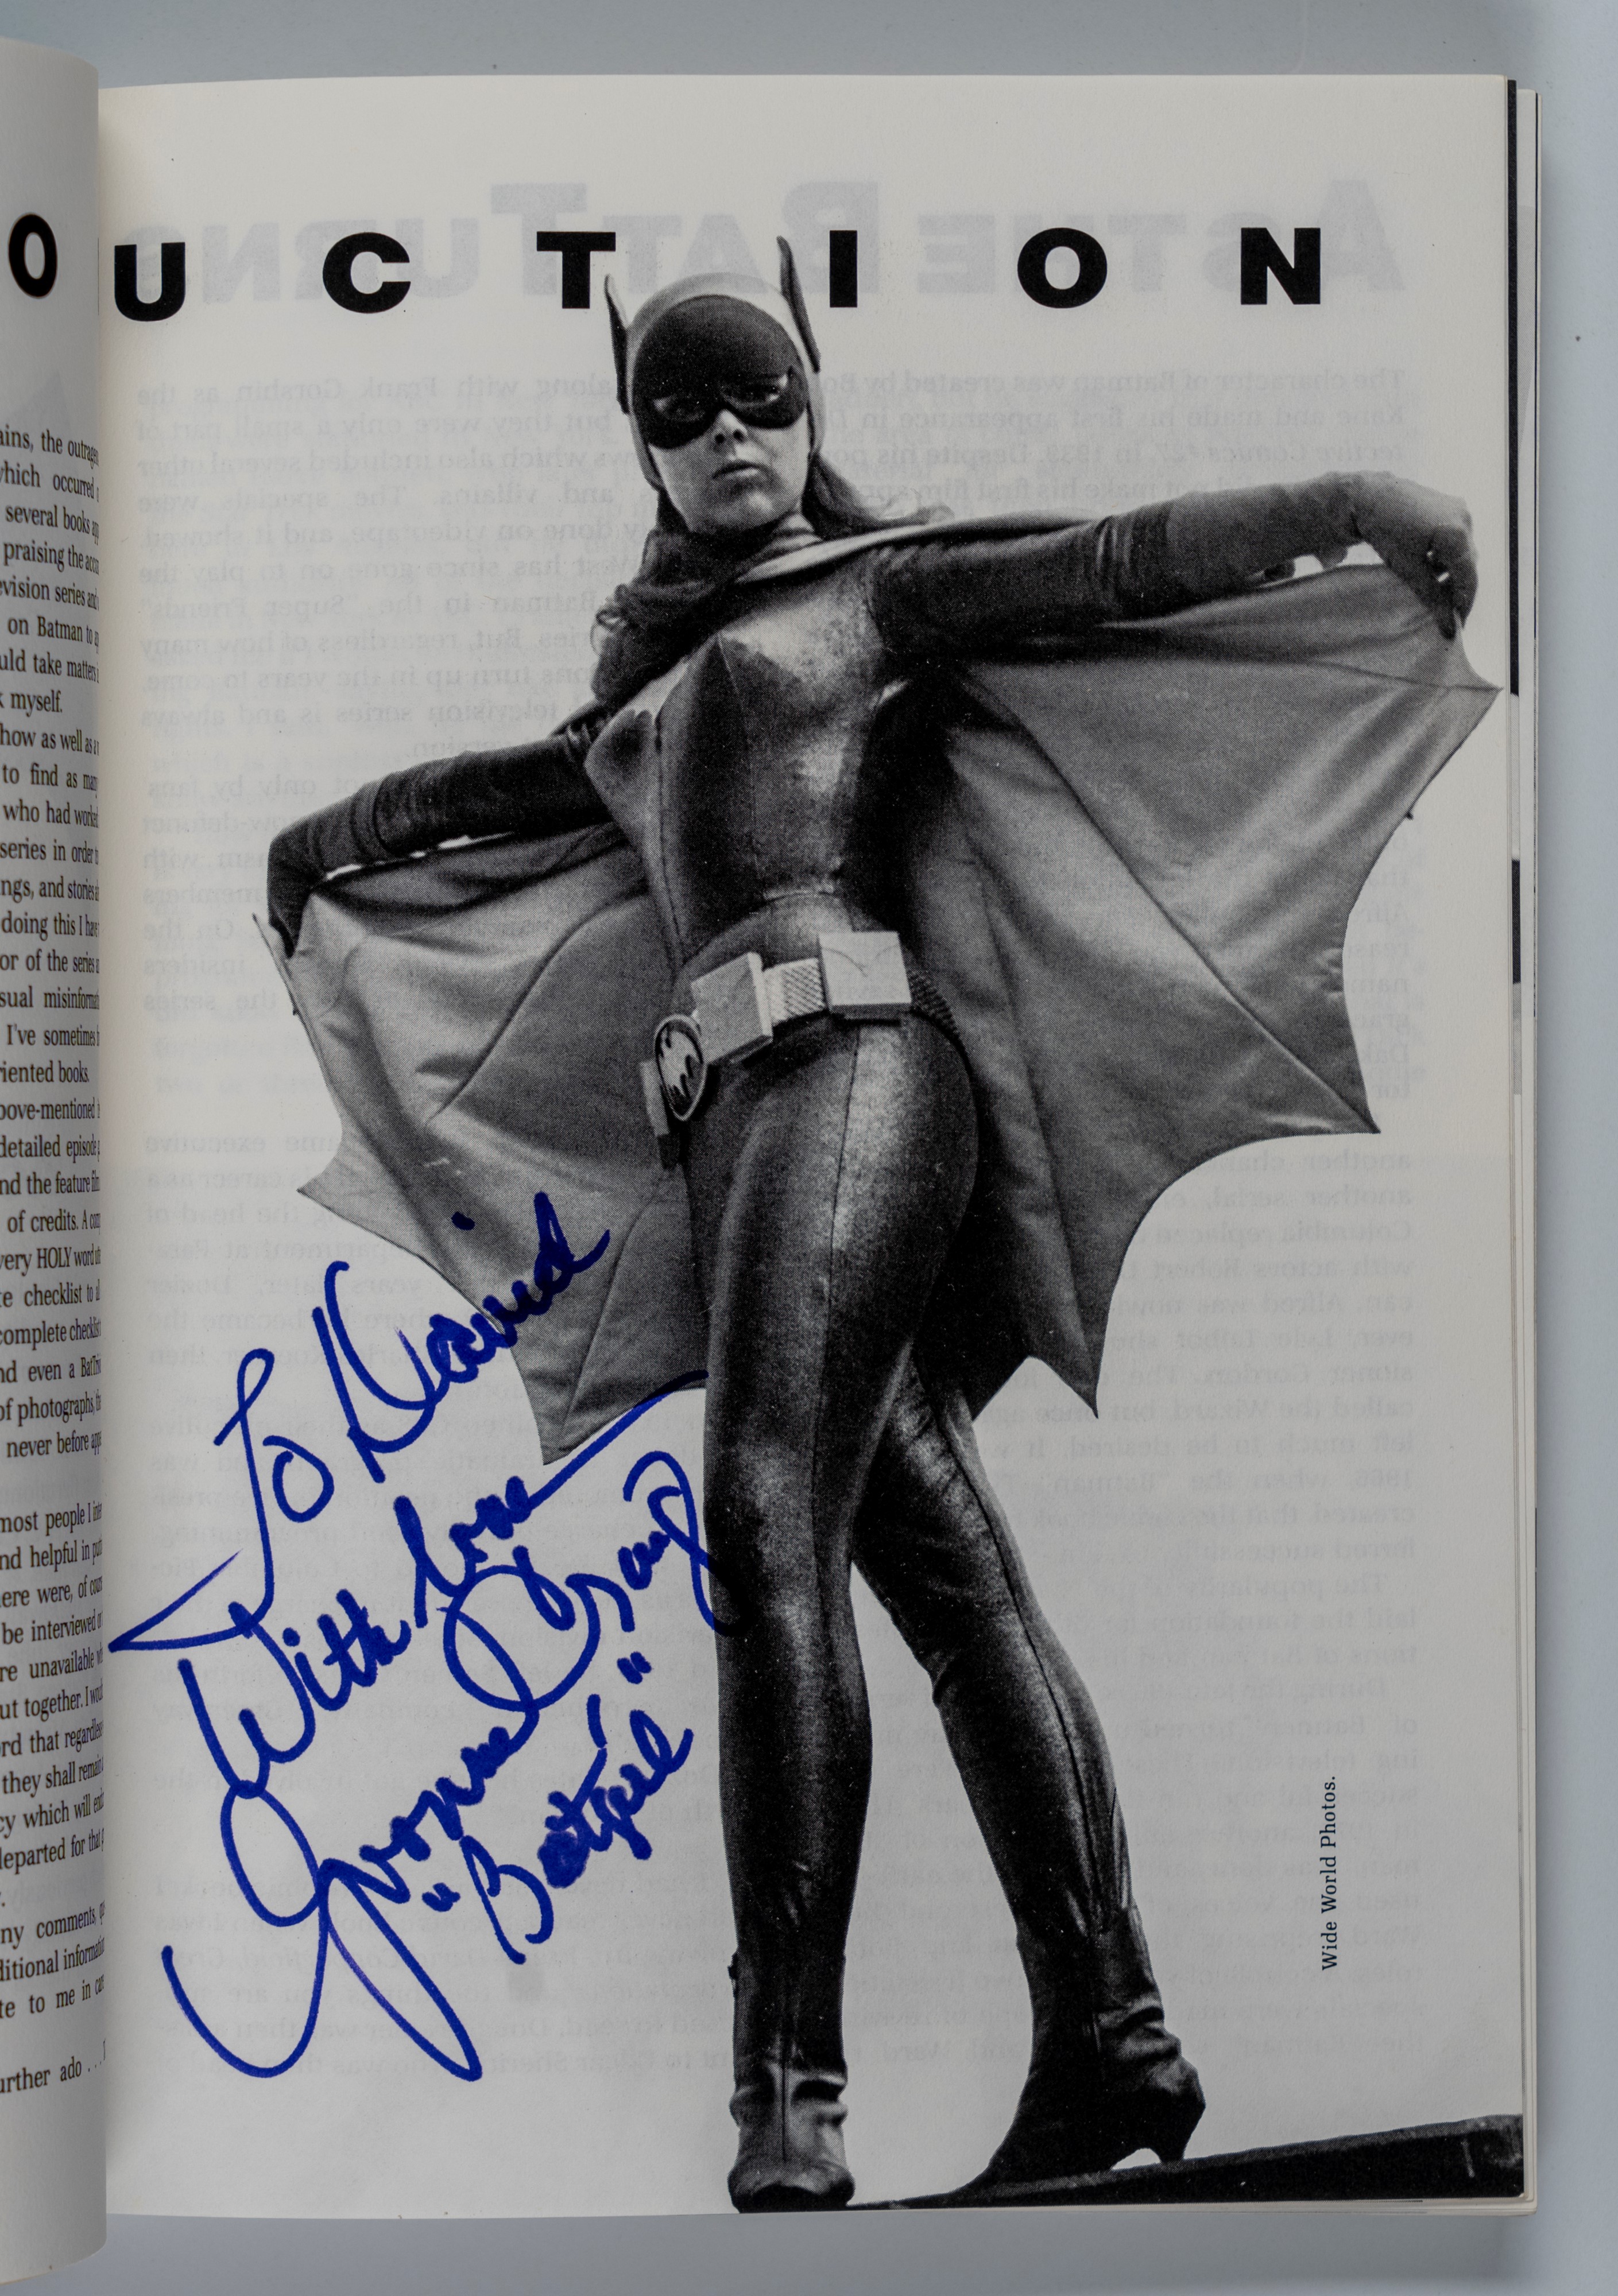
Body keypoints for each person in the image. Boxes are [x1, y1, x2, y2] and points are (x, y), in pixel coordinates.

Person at [267, 244, 1480, 2212]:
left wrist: (1342, 500)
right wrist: (319, 842)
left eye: (758, 387)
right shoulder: (642, 688)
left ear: (812, 399)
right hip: (740, 1135)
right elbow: (482, 794)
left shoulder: (872, 594)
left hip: (855, 1070)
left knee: (763, 1517)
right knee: (948, 1581)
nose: (728, 431)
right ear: (640, 450)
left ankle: (788, 2094)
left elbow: (1106, 563)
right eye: (678, 405)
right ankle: (1110, 2032)